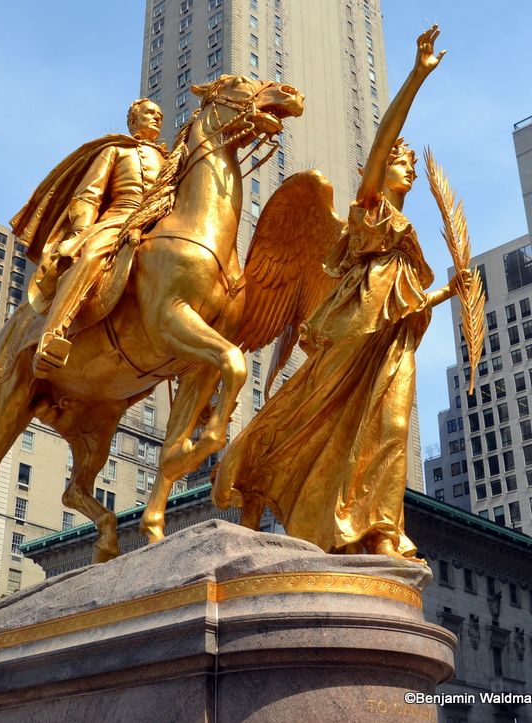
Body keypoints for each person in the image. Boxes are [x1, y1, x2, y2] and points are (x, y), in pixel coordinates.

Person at [213, 26, 469, 561]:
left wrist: (448, 288)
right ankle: (253, 467)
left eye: (408, 164)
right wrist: (416, 75)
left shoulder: (406, 237)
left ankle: (378, 529)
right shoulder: (369, 208)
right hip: (354, 329)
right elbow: (383, 136)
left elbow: (407, 301)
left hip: (393, 339)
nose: (407, 165)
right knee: (311, 404)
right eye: (401, 160)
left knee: (390, 426)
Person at [11, 99, 166, 377]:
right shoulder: (115, 150)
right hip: (119, 218)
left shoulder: (169, 159)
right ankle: (53, 334)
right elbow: (89, 194)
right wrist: (82, 231)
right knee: (91, 256)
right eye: (150, 113)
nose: (157, 118)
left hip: (159, 223)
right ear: (133, 121)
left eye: (160, 115)